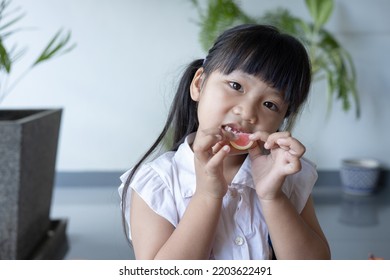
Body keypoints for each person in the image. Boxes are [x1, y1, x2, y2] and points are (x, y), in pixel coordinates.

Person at [118, 24, 331, 260]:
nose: (247, 112)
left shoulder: (288, 178)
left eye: (270, 104)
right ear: (199, 84)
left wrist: (273, 197)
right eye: (236, 86)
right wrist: (208, 195)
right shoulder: (158, 183)